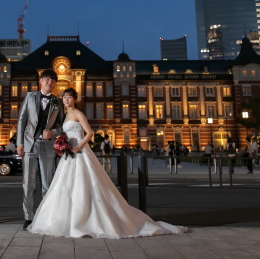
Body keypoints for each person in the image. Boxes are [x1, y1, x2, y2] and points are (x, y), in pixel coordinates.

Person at [28, 88, 187, 238]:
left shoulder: (78, 113)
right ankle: (67, 219)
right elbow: (65, 132)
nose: (67, 99)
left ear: (75, 99)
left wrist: (78, 147)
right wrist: (62, 142)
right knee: (65, 185)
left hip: (80, 152)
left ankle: (85, 219)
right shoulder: (65, 115)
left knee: (85, 184)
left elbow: (90, 133)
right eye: (65, 97)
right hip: (69, 154)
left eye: (70, 97)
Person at [17, 69, 65, 230]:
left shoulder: (58, 102)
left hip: (48, 146)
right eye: (47, 79)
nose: (50, 82)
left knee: (47, 184)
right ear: (40, 80)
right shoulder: (30, 97)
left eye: (53, 80)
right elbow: (22, 120)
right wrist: (19, 143)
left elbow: (63, 126)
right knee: (28, 184)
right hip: (30, 144)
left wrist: (53, 133)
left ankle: (45, 216)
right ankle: (28, 217)